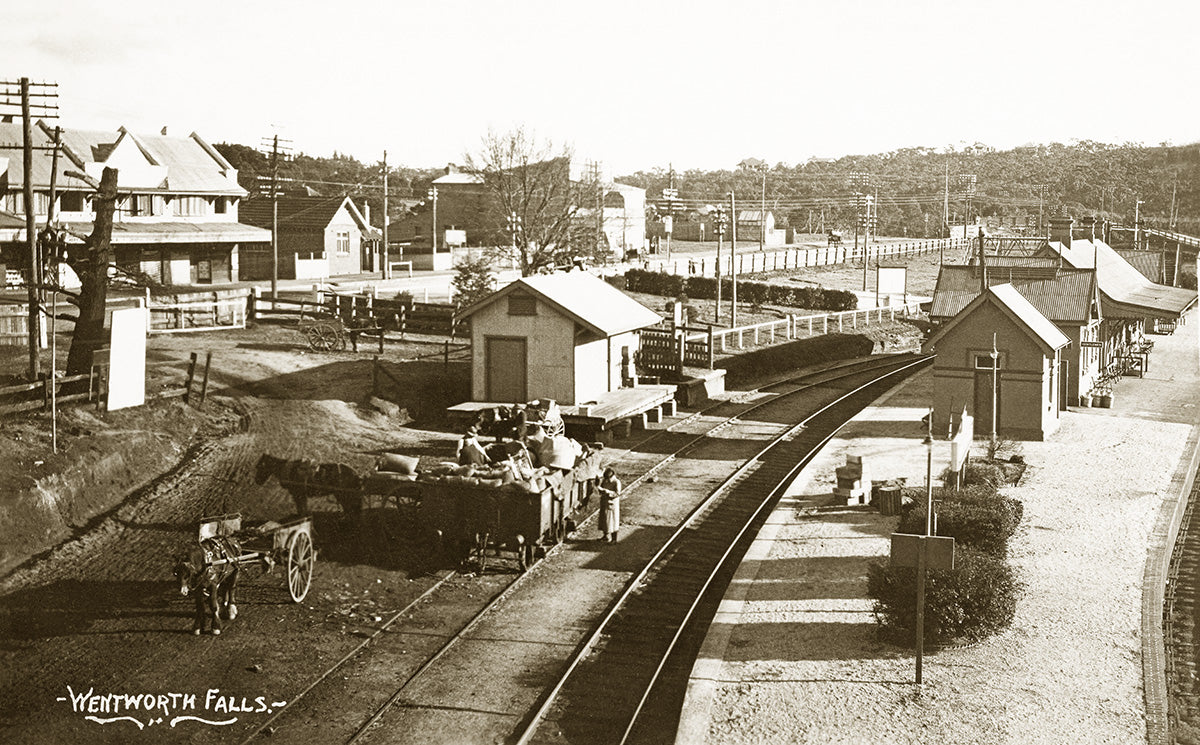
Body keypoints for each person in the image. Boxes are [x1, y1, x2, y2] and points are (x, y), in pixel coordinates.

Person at [597, 467, 622, 543]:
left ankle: (614, 539)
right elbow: (601, 489)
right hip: (604, 503)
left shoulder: (616, 482)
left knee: (613, 521)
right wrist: (599, 488)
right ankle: (605, 536)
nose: (606, 480)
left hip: (612, 505)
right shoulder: (605, 481)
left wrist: (607, 491)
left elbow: (617, 494)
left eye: (608, 478)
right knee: (604, 521)